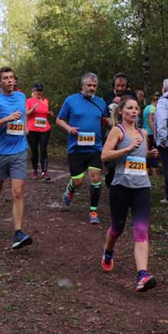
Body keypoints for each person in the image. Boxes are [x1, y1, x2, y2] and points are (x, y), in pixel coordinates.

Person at [100, 97, 159, 292]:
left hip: (142, 186)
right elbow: (104, 155)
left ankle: (142, 274)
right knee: (117, 229)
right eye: (130, 108)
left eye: (136, 108)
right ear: (121, 111)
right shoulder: (118, 131)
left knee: (141, 229)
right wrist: (125, 148)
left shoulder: (143, 133)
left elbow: (140, 157)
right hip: (121, 186)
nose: (134, 111)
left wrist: (150, 155)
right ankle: (108, 251)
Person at [0, 67, 33, 249]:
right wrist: (6, 119)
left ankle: (18, 233)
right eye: (5, 78)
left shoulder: (21, 97)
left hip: (19, 150)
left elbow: (24, 114)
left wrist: (25, 128)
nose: (10, 81)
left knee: (17, 192)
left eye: (12, 78)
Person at [57, 72, 109, 225]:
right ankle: (71, 188)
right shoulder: (71, 100)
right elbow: (59, 119)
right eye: (89, 85)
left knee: (95, 177)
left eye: (94, 86)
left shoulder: (101, 102)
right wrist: (68, 128)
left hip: (95, 147)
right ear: (82, 85)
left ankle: (93, 210)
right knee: (78, 181)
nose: (91, 88)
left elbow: (105, 120)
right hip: (76, 148)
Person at [26, 82, 53, 181]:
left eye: (41, 90)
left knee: (43, 149)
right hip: (32, 129)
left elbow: (44, 113)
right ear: (33, 91)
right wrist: (32, 109)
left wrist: (49, 113)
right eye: (37, 90)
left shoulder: (46, 101)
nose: (39, 92)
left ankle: (45, 171)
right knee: (34, 151)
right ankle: (35, 170)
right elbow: (26, 114)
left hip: (45, 128)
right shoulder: (29, 101)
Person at [142, 92, 160, 172]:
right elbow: (150, 120)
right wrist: (155, 133)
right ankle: (154, 175)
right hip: (151, 133)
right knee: (154, 154)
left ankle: (147, 172)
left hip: (145, 132)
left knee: (147, 153)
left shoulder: (147, 107)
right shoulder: (153, 108)